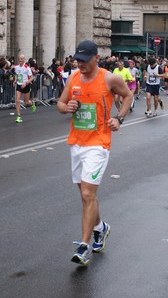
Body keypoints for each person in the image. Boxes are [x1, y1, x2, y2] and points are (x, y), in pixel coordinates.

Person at [57, 40, 133, 266]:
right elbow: (60, 104)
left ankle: (83, 246)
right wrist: (66, 107)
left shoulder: (109, 78)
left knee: (88, 195)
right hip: (77, 143)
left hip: (98, 144)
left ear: (95, 58)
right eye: (77, 59)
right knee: (84, 194)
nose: (79, 63)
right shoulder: (73, 78)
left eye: (84, 60)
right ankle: (101, 228)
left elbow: (128, 96)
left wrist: (119, 118)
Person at [12, 54, 37, 123]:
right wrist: (15, 80)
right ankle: (18, 116)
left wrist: (25, 83)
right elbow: (16, 74)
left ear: (24, 60)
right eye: (19, 58)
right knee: (17, 100)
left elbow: (32, 78)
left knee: (26, 102)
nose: (20, 60)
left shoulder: (27, 68)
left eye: (21, 59)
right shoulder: (16, 67)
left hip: (26, 85)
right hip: (19, 85)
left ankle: (32, 104)